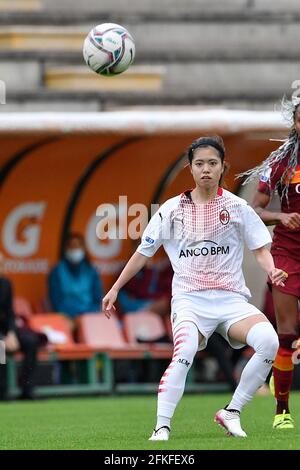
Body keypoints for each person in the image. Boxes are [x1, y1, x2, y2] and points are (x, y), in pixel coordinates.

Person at [103, 135, 286, 440]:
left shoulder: (238, 207)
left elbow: (260, 249)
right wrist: (115, 289)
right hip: (190, 300)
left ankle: (232, 412)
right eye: (199, 163)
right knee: (184, 350)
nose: (206, 169)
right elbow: (143, 253)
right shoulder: (171, 209)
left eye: (212, 163)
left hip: (231, 300)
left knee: (269, 341)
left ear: (222, 167)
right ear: (190, 168)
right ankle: (161, 426)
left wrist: (272, 269)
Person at [242, 99, 300, 429]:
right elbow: (255, 209)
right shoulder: (281, 162)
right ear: (294, 123)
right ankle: (282, 412)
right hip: (288, 254)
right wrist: (280, 216)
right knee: (287, 332)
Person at [0, 276, 47, 400]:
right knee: (0, 347)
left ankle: (27, 389)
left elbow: (9, 311)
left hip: (7, 330)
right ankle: (2, 391)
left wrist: (11, 333)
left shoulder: (5, 283)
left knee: (31, 341)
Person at [49, 233, 103, 330]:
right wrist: (72, 317)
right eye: (72, 246)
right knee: (66, 327)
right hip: (66, 317)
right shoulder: (57, 271)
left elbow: (97, 299)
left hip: (88, 316)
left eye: (77, 246)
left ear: (83, 249)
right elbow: (55, 301)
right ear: (66, 249)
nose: (75, 250)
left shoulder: (91, 271)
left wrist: (86, 315)